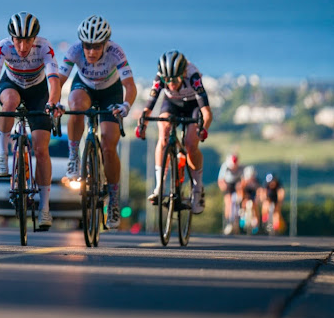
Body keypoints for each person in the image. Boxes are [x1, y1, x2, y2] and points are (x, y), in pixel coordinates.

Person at [58, 15, 137, 230]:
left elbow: (130, 85)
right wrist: (53, 101)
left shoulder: (116, 52)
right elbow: (59, 80)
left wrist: (126, 106)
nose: (91, 51)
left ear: (105, 44)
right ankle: (74, 156)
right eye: (87, 46)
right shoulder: (74, 51)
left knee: (109, 147)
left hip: (110, 93)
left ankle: (113, 199)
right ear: (81, 44)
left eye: (97, 46)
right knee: (75, 105)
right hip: (84, 87)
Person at [0, 12, 62, 229]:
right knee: (10, 102)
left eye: (28, 40)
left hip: (38, 92)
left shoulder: (44, 48)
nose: (23, 46)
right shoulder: (3, 47)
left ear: (35, 39)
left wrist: (52, 102)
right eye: (18, 40)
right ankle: (3, 154)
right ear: (11, 38)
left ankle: (44, 209)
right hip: (11, 85)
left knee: (41, 149)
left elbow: (53, 80)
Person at [136, 50, 212, 216]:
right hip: (171, 104)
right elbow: (149, 106)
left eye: (175, 80)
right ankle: (159, 186)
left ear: (183, 73)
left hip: (193, 106)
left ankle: (197, 189)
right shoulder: (160, 77)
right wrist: (143, 124)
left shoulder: (193, 76)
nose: (170, 84)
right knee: (163, 134)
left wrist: (202, 128)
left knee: (191, 144)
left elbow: (206, 112)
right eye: (166, 80)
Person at [218, 152, 243, 233]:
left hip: (237, 184)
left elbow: (243, 179)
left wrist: (241, 186)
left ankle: (239, 216)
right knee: (228, 201)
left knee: (240, 198)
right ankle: (228, 221)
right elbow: (221, 180)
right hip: (228, 184)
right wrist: (224, 187)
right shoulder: (225, 166)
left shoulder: (241, 167)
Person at [239, 164, 261, 234]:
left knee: (255, 207)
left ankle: (256, 223)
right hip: (246, 196)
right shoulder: (243, 181)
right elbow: (241, 191)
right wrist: (243, 198)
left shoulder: (256, 181)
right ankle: (243, 216)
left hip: (253, 196)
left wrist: (258, 198)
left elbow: (259, 190)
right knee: (244, 203)